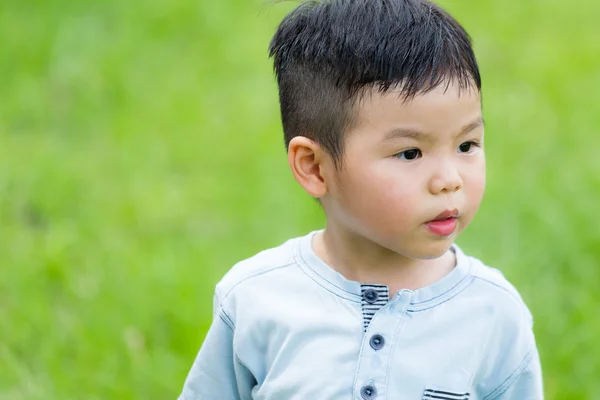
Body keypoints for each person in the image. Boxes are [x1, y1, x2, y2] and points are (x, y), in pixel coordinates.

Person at [179, 0, 543, 398]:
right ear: (315, 167)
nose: (449, 180)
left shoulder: (494, 314)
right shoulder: (256, 300)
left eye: (467, 144)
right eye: (410, 153)